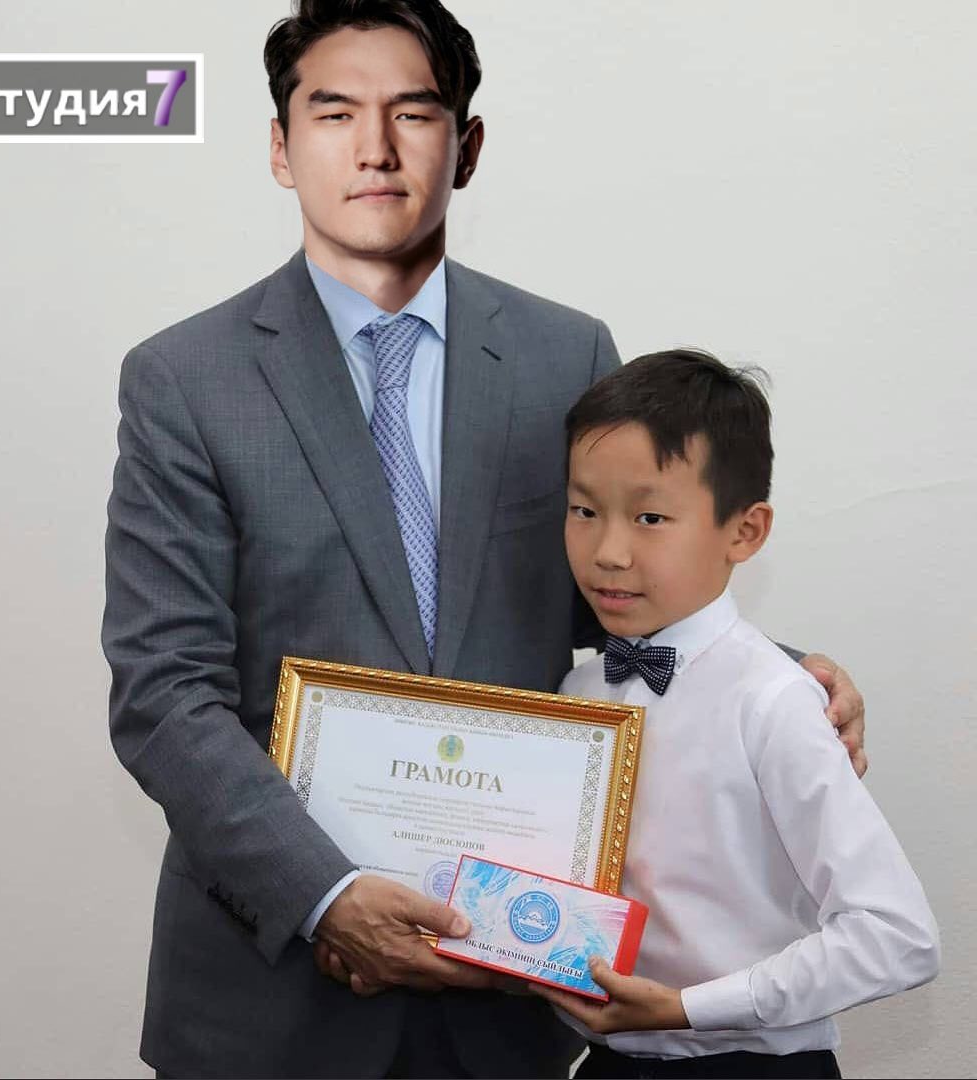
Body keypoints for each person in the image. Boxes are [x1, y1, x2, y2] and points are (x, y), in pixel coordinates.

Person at [101, 2, 866, 1076]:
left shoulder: (565, 354)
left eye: (414, 113)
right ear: (281, 146)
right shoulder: (184, 380)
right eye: (334, 113)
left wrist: (784, 677)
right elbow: (164, 690)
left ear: (465, 148)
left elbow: (617, 594)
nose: (375, 148)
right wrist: (327, 897)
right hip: (267, 1007)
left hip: (508, 991)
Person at [533, 351, 939, 1079]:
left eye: (650, 517)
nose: (609, 552)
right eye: (584, 511)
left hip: (751, 1064)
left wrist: (690, 1007)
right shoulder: (579, 689)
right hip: (605, 1062)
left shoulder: (775, 700)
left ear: (745, 532)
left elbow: (898, 935)